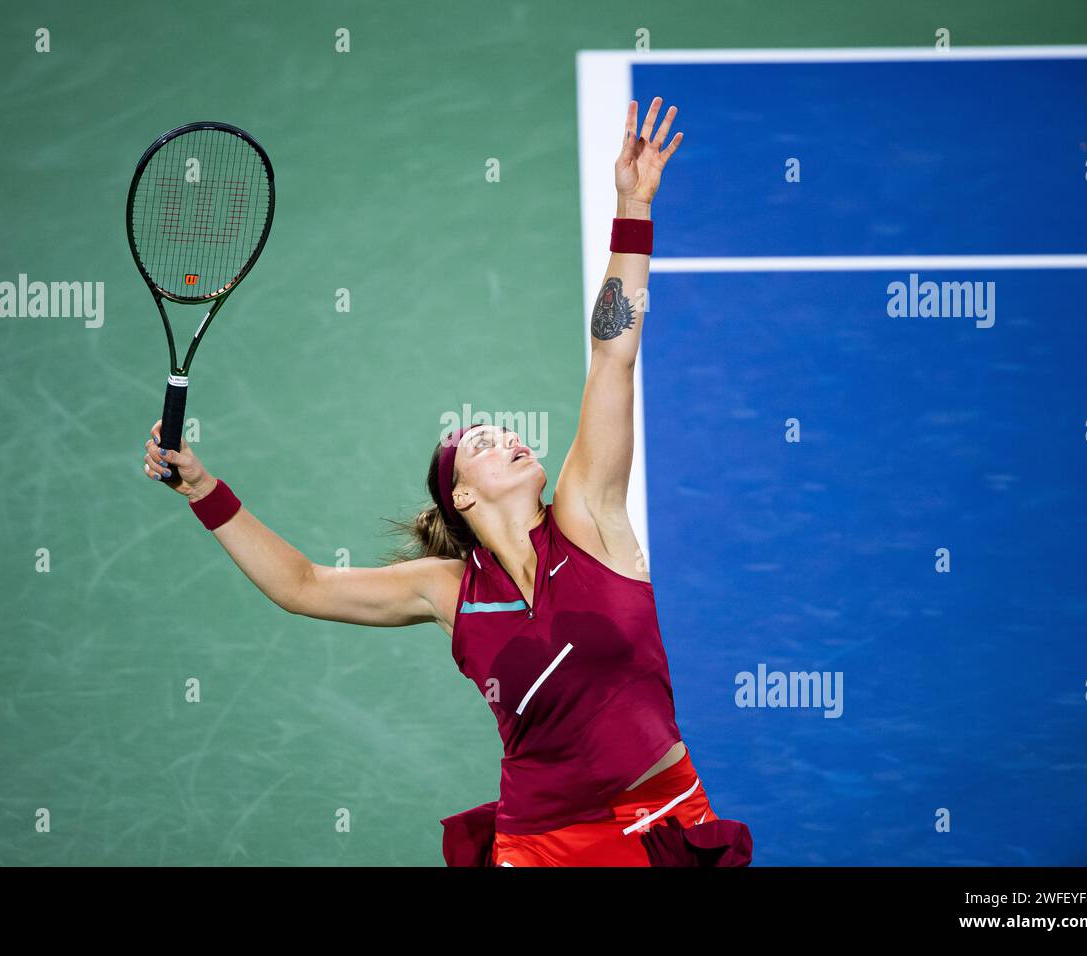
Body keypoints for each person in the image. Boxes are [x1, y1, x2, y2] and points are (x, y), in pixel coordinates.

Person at [141, 97, 751, 866]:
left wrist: (633, 209)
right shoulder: (447, 591)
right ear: (460, 494)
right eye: (485, 442)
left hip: (659, 817)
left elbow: (613, 354)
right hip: (543, 847)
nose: (513, 441)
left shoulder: (592, 515)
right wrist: (203, 491)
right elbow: (301, 584)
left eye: (509, 433)